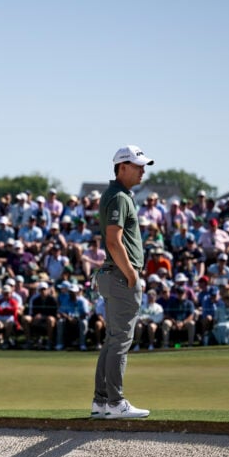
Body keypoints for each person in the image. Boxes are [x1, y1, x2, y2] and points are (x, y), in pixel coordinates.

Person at [92, 145, 153, 419]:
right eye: (138, 166)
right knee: (120, 342)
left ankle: (102, 402)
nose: (142, 171)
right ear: (122, 167)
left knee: (112, 340)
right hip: (119, 276)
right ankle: (115, 403)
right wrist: (131, 274)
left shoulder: (118, 195)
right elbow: (113, 241)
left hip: (111, 275)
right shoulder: (118, 197)